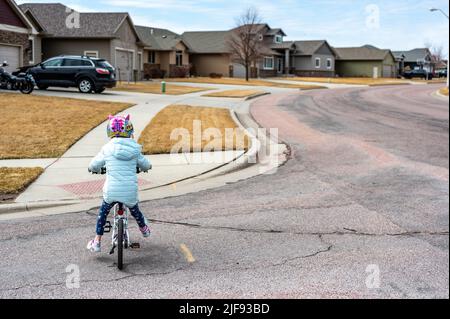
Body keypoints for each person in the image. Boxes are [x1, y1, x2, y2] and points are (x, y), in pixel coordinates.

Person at [87, 114, 152, 253]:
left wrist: (94, 170)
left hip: (111, 191)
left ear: (110, 131)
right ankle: (144, 229)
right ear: (129, 131)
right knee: (135, 211)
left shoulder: (106, 149)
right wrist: (146, 168)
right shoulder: (135, 149)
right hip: (129, 192)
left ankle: (97, 241)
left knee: (103, 214)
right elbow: (146, 165)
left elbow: (93, 165)